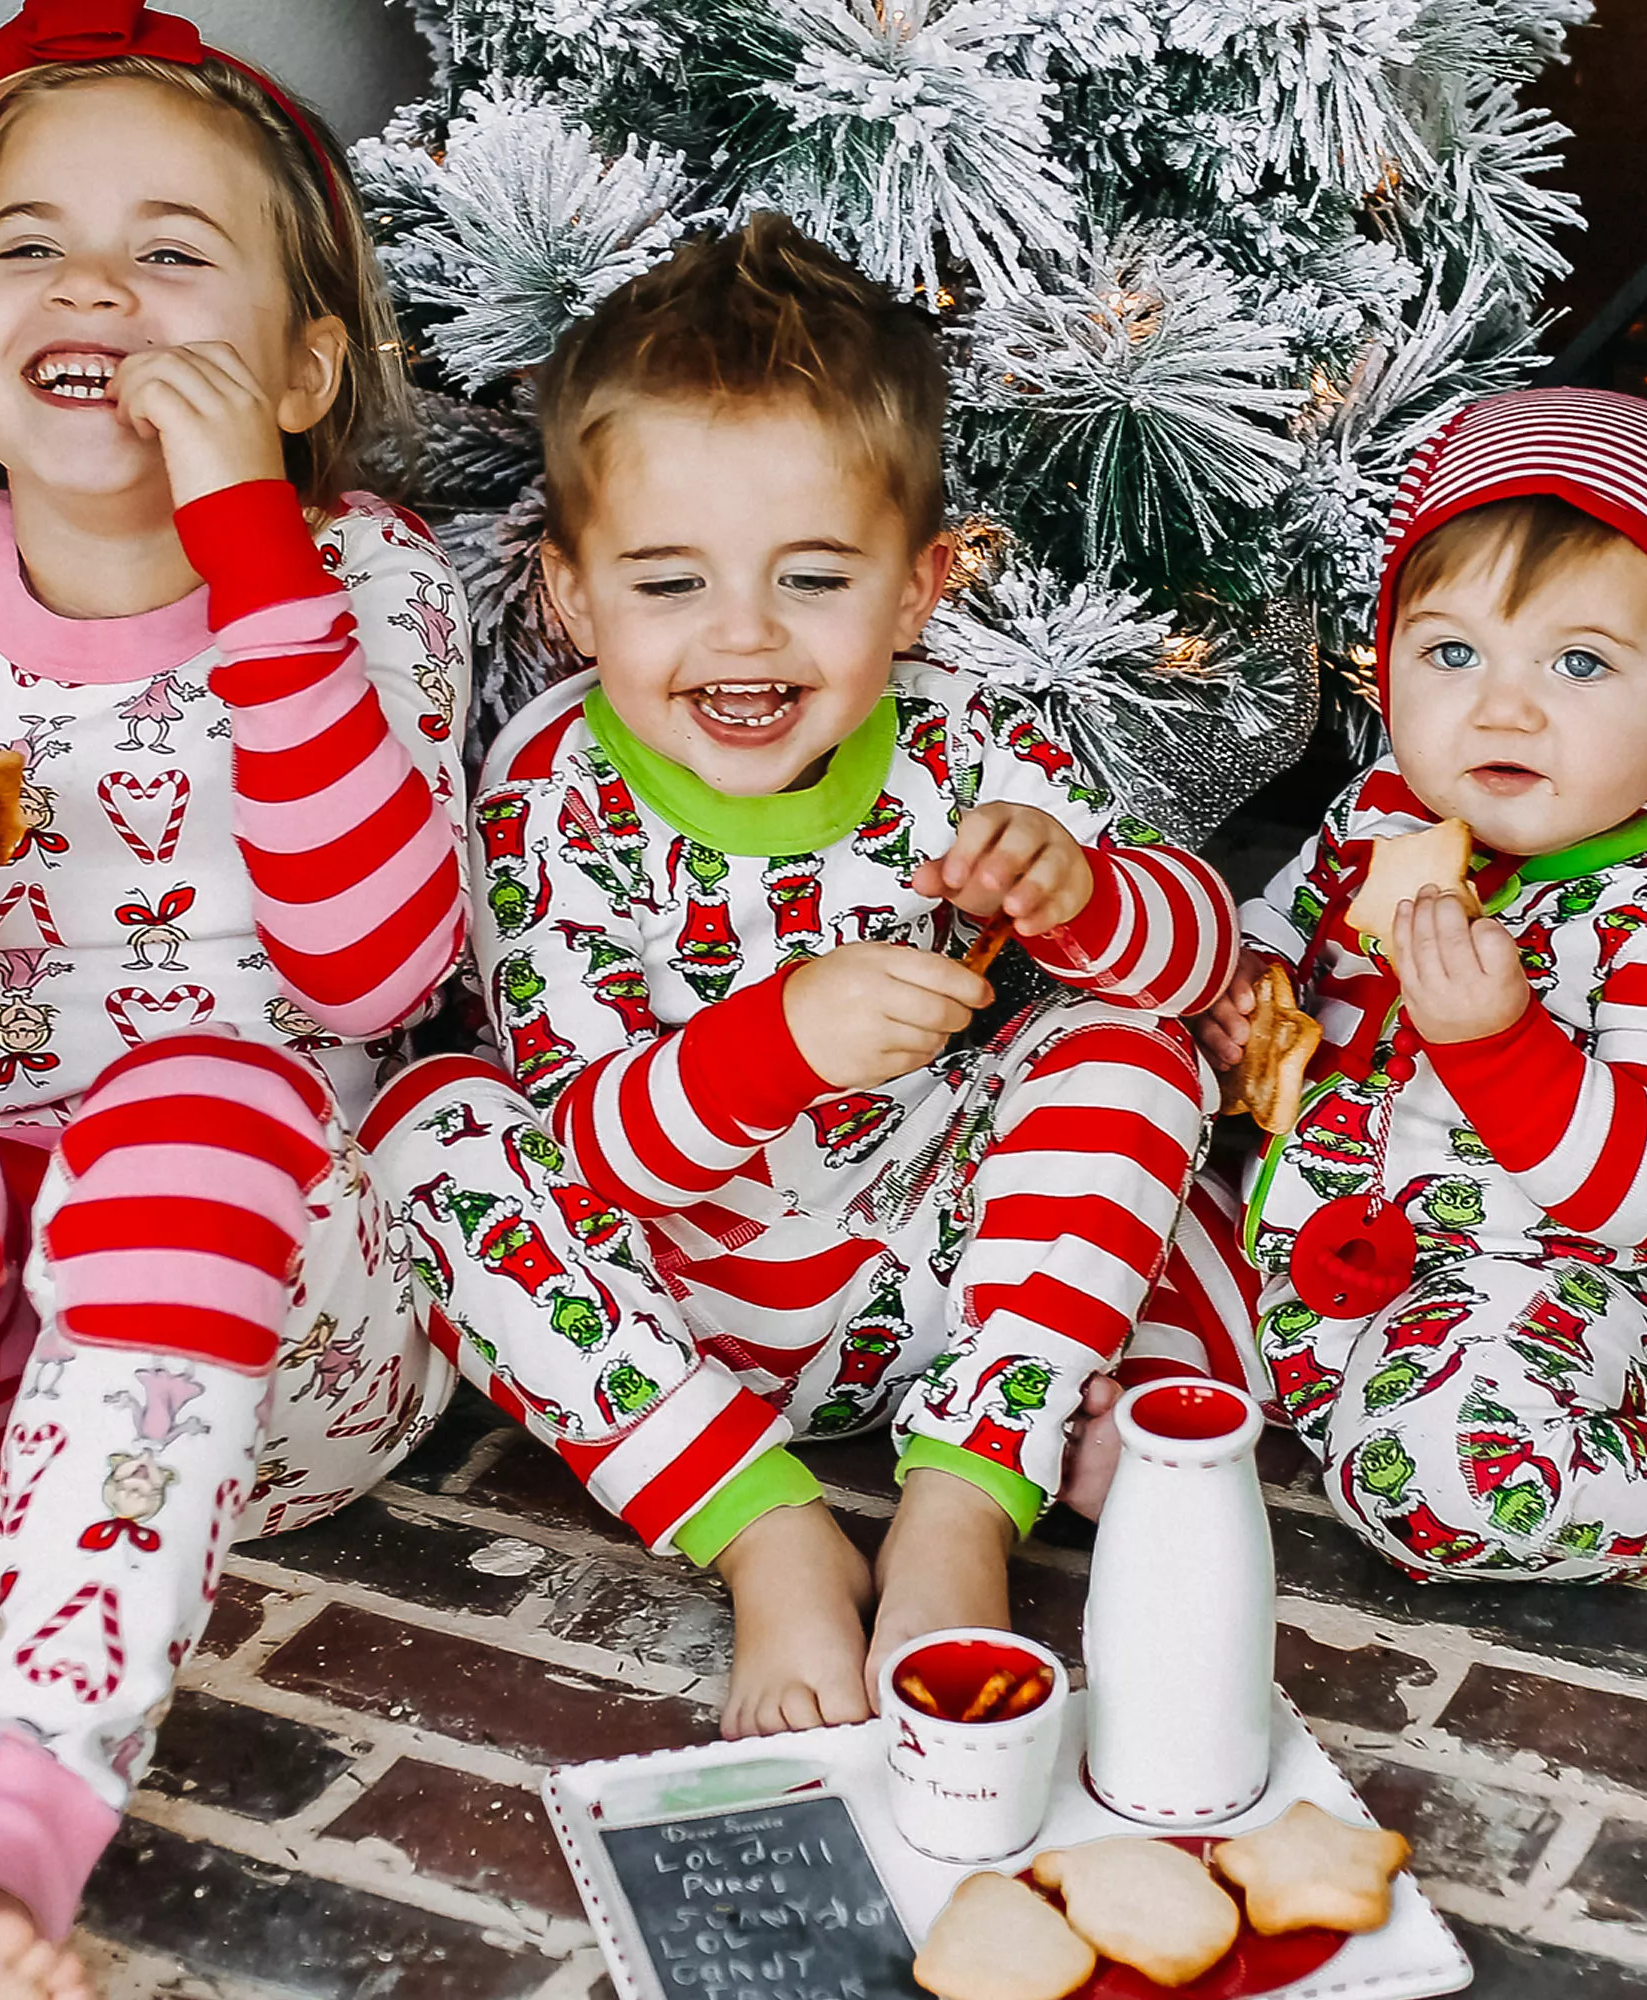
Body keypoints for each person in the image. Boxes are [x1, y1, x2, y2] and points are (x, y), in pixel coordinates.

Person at [0, 7, 482, 1994]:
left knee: (201, 1090)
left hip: (261, 1364)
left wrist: (251, 537)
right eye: (31, 243)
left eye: (174, 249)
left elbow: (378, 967)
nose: (95, 282)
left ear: (302, 367)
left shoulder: (371, 584)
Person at [423, 214, 1240, 1740]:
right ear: (572, 595)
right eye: (667, 584)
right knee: (435, 1133)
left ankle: (965, 1504)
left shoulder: (965, 734)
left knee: (1131, 1047)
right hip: (672, 1318)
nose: (743, 634)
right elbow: (586, 1141)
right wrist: (777, 1043)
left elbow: (1203, 957)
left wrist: (1081, 892)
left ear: (919, 589)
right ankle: (770, 1537)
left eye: (811, 577)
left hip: (942, 1293)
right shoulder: (551, 795)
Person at [1188, 386, 1647, 1582]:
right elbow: (1273, 936)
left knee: (1445, 1481)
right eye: (1449, 650)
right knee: (1068, 1312)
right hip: (1291, 1249)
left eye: (1577, 662)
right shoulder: (1379, 815)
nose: (1499, 705)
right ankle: (1152, 1431)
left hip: (1532, 1291)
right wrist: (1241, 988)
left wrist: (1499, 1040)